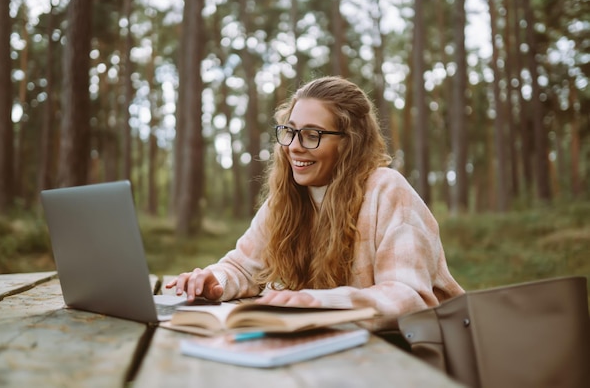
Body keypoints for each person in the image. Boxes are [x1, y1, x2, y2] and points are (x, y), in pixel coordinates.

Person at [166, 76, 464, 330]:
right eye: (290, 131)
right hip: (331, 349)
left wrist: (315, 301)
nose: (294, 146)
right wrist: (214, 280)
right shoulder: (286, 199)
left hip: (404, 355)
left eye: (312, 135)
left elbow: (409, 297)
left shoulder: (386, 190)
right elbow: (243, 268)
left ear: (350, 141)